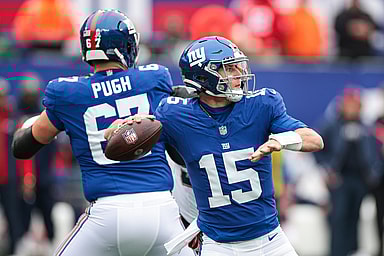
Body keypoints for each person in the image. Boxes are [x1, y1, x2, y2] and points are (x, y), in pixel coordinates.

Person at [106, 36, 324, 255]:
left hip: (271, 241)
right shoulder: (176, 115)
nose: (239, 74)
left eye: (238, 66)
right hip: (218, 245)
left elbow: (315, 140)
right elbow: (117, 135)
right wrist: (121, 126)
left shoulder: (262, 105)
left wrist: (281, 140)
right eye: (228, 69)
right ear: (203, 76)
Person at [12, 9, 194, 256]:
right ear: (126, 45)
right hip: (161, 209)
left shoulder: (66, 93)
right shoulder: (154, 78)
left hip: (106, 215)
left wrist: (32, 125)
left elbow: (22, 148)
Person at [314, 88, 379, 256]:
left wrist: (373, 171)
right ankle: (337, 252)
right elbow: (316, 146)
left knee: (355, 217)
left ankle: (352, 251)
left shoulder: (366, 127)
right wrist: (327, 168)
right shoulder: (332, 125)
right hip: (340, 179)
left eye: (355, 105)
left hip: (360, 179)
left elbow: (374, 151)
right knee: (339, 218)